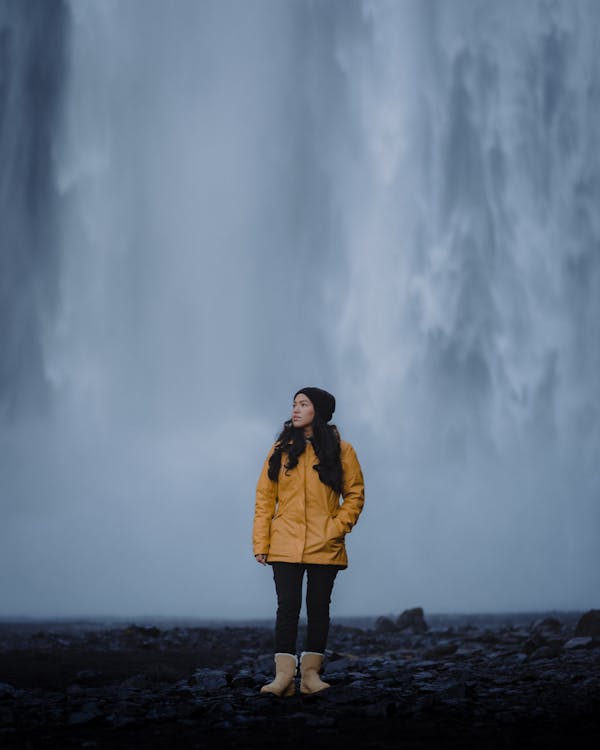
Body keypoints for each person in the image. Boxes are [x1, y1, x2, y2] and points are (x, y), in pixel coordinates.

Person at [253, 387, 365, 697]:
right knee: (287, 608)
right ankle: (284, 678)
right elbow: (265, 498)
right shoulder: (280, 449)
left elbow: (354, 494)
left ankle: (310, 676)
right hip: (284, 542)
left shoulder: (343, 451)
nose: (296, 409)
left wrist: (336, 527)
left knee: (319, 609)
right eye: (294, 404)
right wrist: (262, 542)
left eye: (304, 404)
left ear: (320, 411)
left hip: (324, 543)